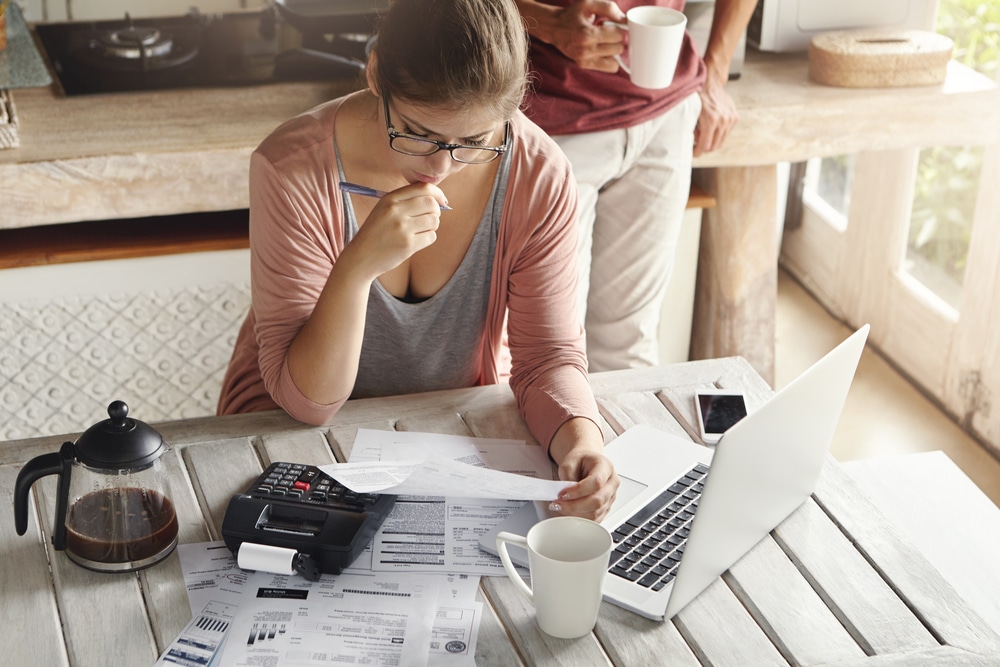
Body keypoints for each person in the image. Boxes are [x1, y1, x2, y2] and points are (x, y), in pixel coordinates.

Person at [217, 0, 619, 521]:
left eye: (475, 142)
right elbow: (308, 402)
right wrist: (357, 267)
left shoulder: (539, 175)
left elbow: (546, 359)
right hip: (285, 433)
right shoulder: (292, 168)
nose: (440, 168)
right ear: (376, 71)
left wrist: (581, 441)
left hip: (443, 434)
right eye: (419, 133)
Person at [514, 0, 758, 371]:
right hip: (547, 120)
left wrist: (716, 74)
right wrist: (546, 23)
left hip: (666, 112)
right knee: (552, 353)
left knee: (630, 344)